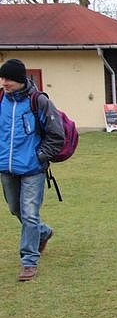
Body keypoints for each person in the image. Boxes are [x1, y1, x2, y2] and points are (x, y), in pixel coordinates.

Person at [0, 59, 63, 281]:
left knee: (29, 213)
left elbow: (57, 135)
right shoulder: (0, 99)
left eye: (8, 78)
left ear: (19, 79)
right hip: (6, 167)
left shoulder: (39, 101)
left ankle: (29, 261)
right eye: (2, 78)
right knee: (15, 209)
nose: (3, 82)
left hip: (32, 169)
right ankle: (43, 232)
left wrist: (40, 157)